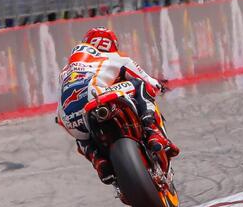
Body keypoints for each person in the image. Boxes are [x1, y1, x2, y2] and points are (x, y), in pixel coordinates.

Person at [56, 27, 179, 184]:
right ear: (112, 44)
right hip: (99, 95)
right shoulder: (114, 57)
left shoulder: (66, 69)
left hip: (69, 116)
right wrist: (159, 85)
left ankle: (97, 159)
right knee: (139, 84)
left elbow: (58, 114)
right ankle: (153, 131)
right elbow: (149, 82)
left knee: (82, 135)